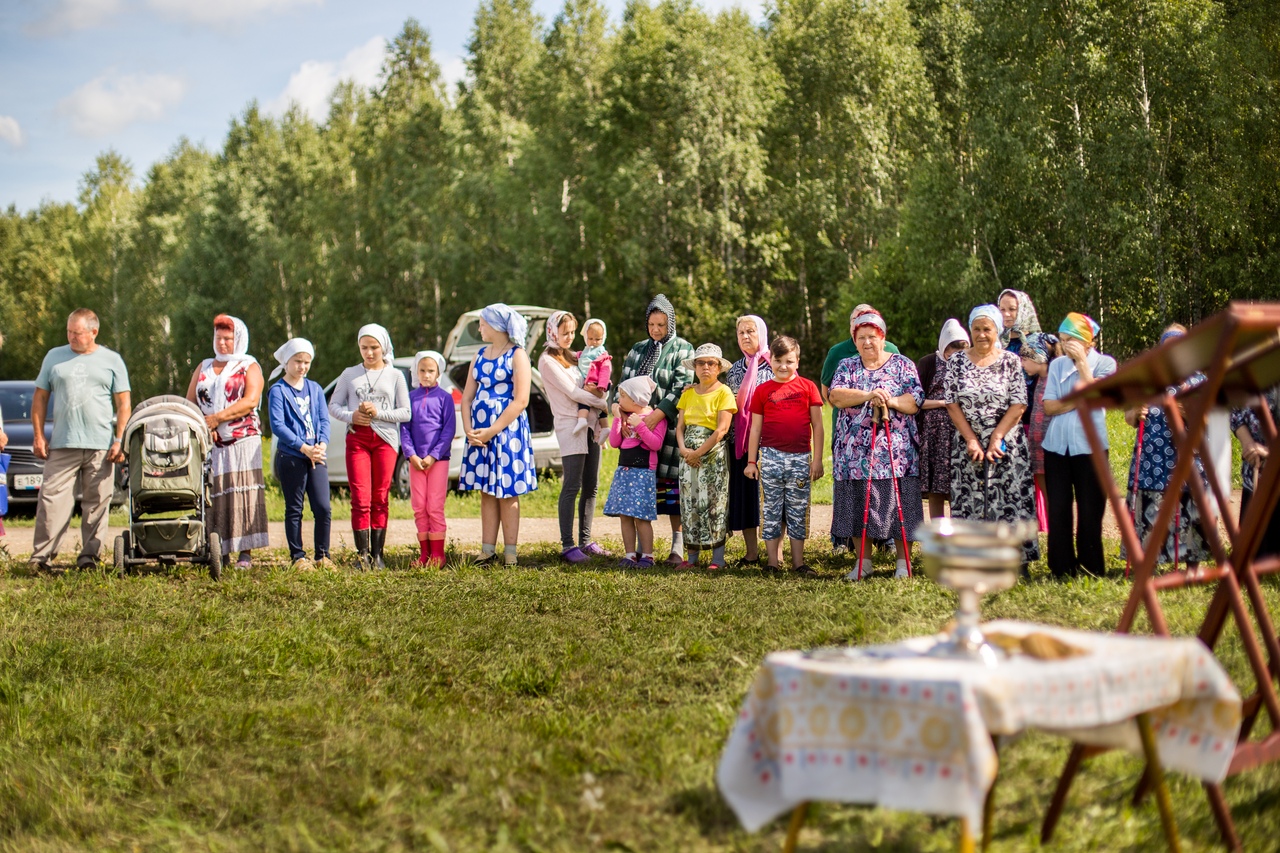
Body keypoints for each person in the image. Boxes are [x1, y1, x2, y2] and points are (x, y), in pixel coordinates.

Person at [29, 309, 131, 570]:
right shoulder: (54, 357)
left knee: (97, 503)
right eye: (69, 332)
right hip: (63, 443)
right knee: (51, 501)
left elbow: (123, 404)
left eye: (78, 332)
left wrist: (120, 440)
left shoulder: (112, 360)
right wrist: (39, 435)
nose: (72, 337)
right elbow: (40, 398)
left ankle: (89, 557)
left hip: (101, 445)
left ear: (94, 332)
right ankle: (41, 557)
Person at [829, 310, 924, 579]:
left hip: (896, 454)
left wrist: (889, 400)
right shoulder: (847, 365)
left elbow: (914, 401)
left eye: (872, 336)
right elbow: (836, 395)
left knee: (900, 505)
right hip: (854, 454)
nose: (867, 342)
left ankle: (903, 563)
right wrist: (869, 394)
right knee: (859, 505)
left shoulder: (903, 364)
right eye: (861, 338)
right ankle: (863, 562)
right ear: (854, 340)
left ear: (883, 338)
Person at [944, 305, 1039, 567]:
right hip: (968, 442)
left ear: (997, 331)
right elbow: (951, 403)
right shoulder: (957, 361)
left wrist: (997, 437)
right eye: (977, 329)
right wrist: (972, 439)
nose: (982, 334)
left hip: (1006, 441)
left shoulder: (1010, 361)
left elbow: (1019, 403)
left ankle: (1017, 560)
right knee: (970, 500)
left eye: (987, 329)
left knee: (1010, 499)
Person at [614, 294, 696, 564]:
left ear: (670, 323)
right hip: (635, 431)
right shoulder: (638, 349)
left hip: (668, 429)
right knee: (638, 486)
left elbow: (679, 387)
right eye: (651, 324)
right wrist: (620, 412)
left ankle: (677, 547)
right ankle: (640, 548)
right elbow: (624, 386)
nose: (656, 330)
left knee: (672, 491)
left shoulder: (684, 349)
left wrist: (657, 415)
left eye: (661, 325)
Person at [186, 314, 269, 569]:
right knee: (215, 495)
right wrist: (203, 425)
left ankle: (245, 552)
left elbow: (250, 400)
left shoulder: (248, 365)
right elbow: (190, 401)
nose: (222, 343)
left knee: (242, 492)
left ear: (239, 339)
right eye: (218, 338)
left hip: (242, 440)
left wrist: (216, 419)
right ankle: (217, 550)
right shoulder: (204, 367)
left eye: (228, 339)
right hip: (210, 441)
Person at [1124, 325, 1210, 568]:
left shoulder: (1198, 380)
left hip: (1186, 455)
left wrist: (1185, 410)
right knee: (1153, 506)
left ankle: (1192, 565)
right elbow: (1130, 418)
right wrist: (1135, 413)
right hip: (1152, 456)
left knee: (1188, 506)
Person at [459, 303, 538, 566]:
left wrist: (491, 431)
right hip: (479, 436)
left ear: (496, 326)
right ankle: (487, 550)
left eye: (482, 323)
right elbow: (467, 398)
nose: (479, 328)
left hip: (506, 433)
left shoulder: (518, 355)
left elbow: (521, 400)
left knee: (507, 492)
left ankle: (511, 553)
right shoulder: (479, 355)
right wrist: (469, 430)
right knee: (486, 491)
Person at [1041, 312, 1117, 579]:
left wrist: (1084, 366)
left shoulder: (1106, 364)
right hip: (1056, 448)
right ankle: (1061, 568)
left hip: (1090, 448)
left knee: (1091, 508)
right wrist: (1082, 398)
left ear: (1087, 341)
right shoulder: (1057, 365)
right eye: (1062, 340)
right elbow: (1049, 405)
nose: (1064, 346)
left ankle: (1091, 567)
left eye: (1070, 339)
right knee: (1059, 509)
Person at [328, 323, 410, 569]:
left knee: (380, 497)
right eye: (364, 347)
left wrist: (379, 413)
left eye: (374, 347)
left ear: (383, 347)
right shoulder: (349, 374)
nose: (369, 352)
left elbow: (406, 412)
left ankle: (378, 555)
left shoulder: (395, 375)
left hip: (385, 441)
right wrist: (352, 415)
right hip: (358, 439)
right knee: (360, 497)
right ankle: (362, 555)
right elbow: (334, 406)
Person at [821, 303, 901, 553]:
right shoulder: (839, 353)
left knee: (884, 486)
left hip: (885, 435)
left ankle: (884, 539)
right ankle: (841, 539)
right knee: (847, 485)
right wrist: (861, 399)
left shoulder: (893, 352)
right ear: (852, 328)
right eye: (858, 321)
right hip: (849, 433)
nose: (866, 337)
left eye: (869, 323)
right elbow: (828, 392)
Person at [744, 335, 824, 576]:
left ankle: (798, 563)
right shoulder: (762, 390)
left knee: (797, 510)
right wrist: (751, 461)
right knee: (771, 511)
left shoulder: (808, 387)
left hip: (800, 458)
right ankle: (772, 563)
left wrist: (817, 460)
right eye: (778, 360)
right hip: (769, 458)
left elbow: (818, 426)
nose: (783, 366)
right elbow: (755, 428)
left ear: (797, 361)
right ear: (770, 361)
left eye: (789, 361)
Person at [538, 311, 609, 563]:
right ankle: (568, 545)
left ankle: (586, 541)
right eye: (563, 332)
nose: (568, 337)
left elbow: (595, 377)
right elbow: (573, 393)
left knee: (591, 485)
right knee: (572, 485)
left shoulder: (574, 356)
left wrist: (602, 393)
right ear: (552, 332)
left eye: (571, 332)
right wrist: (605, 403)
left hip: (590, 425)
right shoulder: (547, 361)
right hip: (570, 426)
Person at [267, 337, 331, 570]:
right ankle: (298, 557)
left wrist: (321, 444)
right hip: (292, 456)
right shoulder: (278, 391)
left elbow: (324, 420)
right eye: (297, 361)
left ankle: (323, 555)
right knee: (295, 508)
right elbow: (278, 425)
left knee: (323, 507)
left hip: (316, 455)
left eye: (306, 362)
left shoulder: (315, 389)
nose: (302, 367)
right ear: (287, 362)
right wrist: (302, 447)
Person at [676, 344, 737, 569]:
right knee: (689, 503)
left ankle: (717, 559)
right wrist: (684, 451)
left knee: (715, 503)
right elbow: (680, 426)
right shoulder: (688, 393)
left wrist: (698, 453)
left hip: (712, 456)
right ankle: (691, 558)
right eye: (701, 363)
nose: (705, 367)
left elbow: (721, 430)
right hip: (687, 457)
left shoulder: (724, 392)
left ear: (719, 367)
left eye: (711, 363)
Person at [603, 376, 667, 567]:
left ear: (635, 399)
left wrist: (639, 424)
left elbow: (655, 444)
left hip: (643, 473)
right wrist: (617, 419)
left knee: (641, 517)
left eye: (622, 397)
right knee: (625, 515)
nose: (618, 401)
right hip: (624, 471)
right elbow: (615, 443)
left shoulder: (654, 418)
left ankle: (647, 556)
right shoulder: (623, 416)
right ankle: (630, 554)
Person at [401, 350, 456, 568]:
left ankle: (438, 556)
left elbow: (449, 430)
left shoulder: (445, 398)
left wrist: (433, 455)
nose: (426, 374)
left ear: (438, 372)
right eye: (422, 370)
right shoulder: (410, 398)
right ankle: (424, 555)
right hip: (415, 460)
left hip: (438, 461)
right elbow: (404, 429)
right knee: (419, 507)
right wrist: (411, 454)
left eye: (430, 370)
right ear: (416, 371)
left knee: (434, 506)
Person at [726, 315, 772, 565]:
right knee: (746, 498)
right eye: (741, 332)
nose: (745, 336)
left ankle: (775, 555)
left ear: (762, 334)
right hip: (741, 442)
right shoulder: (734, 369)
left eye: (750, 331)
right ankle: (751, 553)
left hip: (770, 443)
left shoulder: (775, 364)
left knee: (771, 499)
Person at [916, 319, 969, 521]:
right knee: (935, 488)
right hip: (934, 434)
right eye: (951, 353)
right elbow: (916, 400)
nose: (955, 358)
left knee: (958, 485)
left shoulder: (970, 365)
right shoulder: (928, 363)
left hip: (960, 432)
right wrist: (943, 403)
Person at [1019, 332, 1057, 529]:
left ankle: (1056, 533)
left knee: (1054, 495)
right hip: (1036, 446)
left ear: (1038, 357)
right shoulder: (1037, 380)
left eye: (1025, 358)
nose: (1022, 363)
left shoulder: (1054, 378)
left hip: (1051, 446)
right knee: (1044, 490)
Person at [575, 319, 612, 438]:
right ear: (586, 337)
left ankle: (582, 419)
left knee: (584, 399)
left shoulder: (601, 353)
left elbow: (605, 370)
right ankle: (605, 428)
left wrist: (602, 384)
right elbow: (579, 358)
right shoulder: (585, 351)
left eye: (598, 339)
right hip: (590, 380)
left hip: (598, 382)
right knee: (597, 406)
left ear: (603, 338)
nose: (594, 342)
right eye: (590, 339)